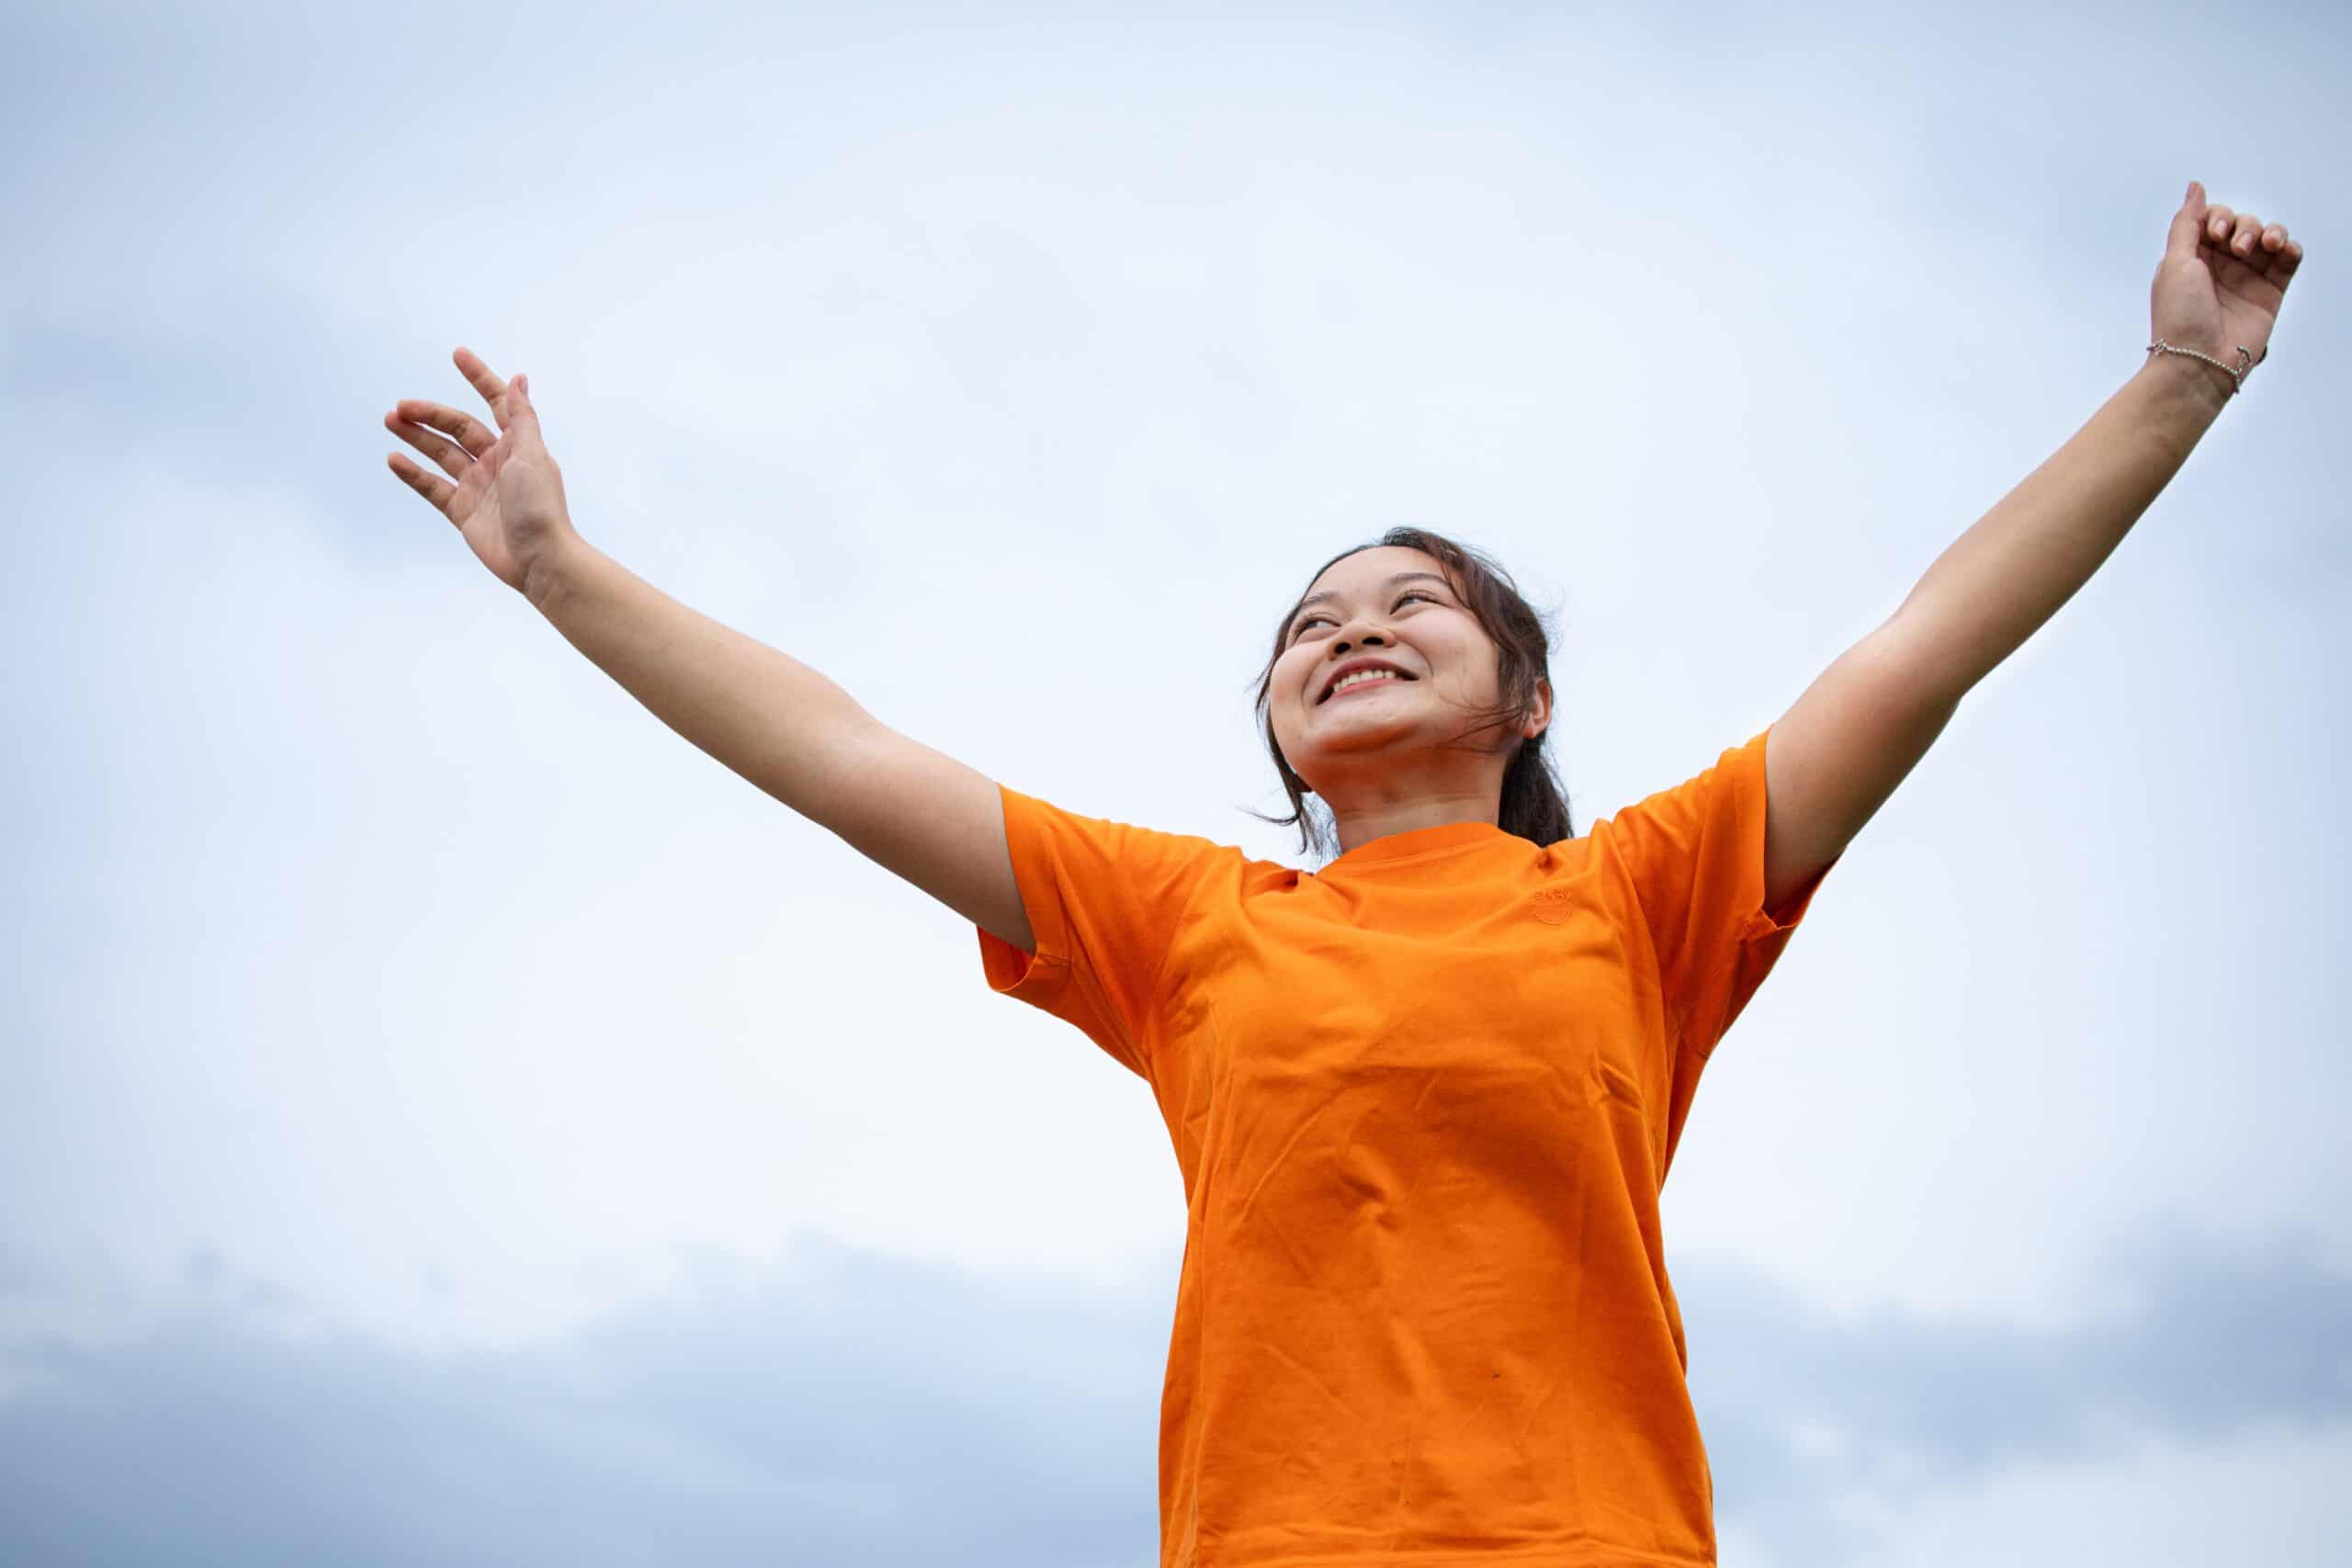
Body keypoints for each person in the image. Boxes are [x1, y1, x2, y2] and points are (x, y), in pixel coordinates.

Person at [381, 180, 2298, 1565]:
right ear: (1278, 719)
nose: (1349, 627)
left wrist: (2174, 380)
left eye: (1409, 605)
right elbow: (839, 752)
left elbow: (1915, 651)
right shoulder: (1183, 921)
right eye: (1310, 622)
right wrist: (560, 569)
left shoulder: (1639, 895)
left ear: (1521, 693)